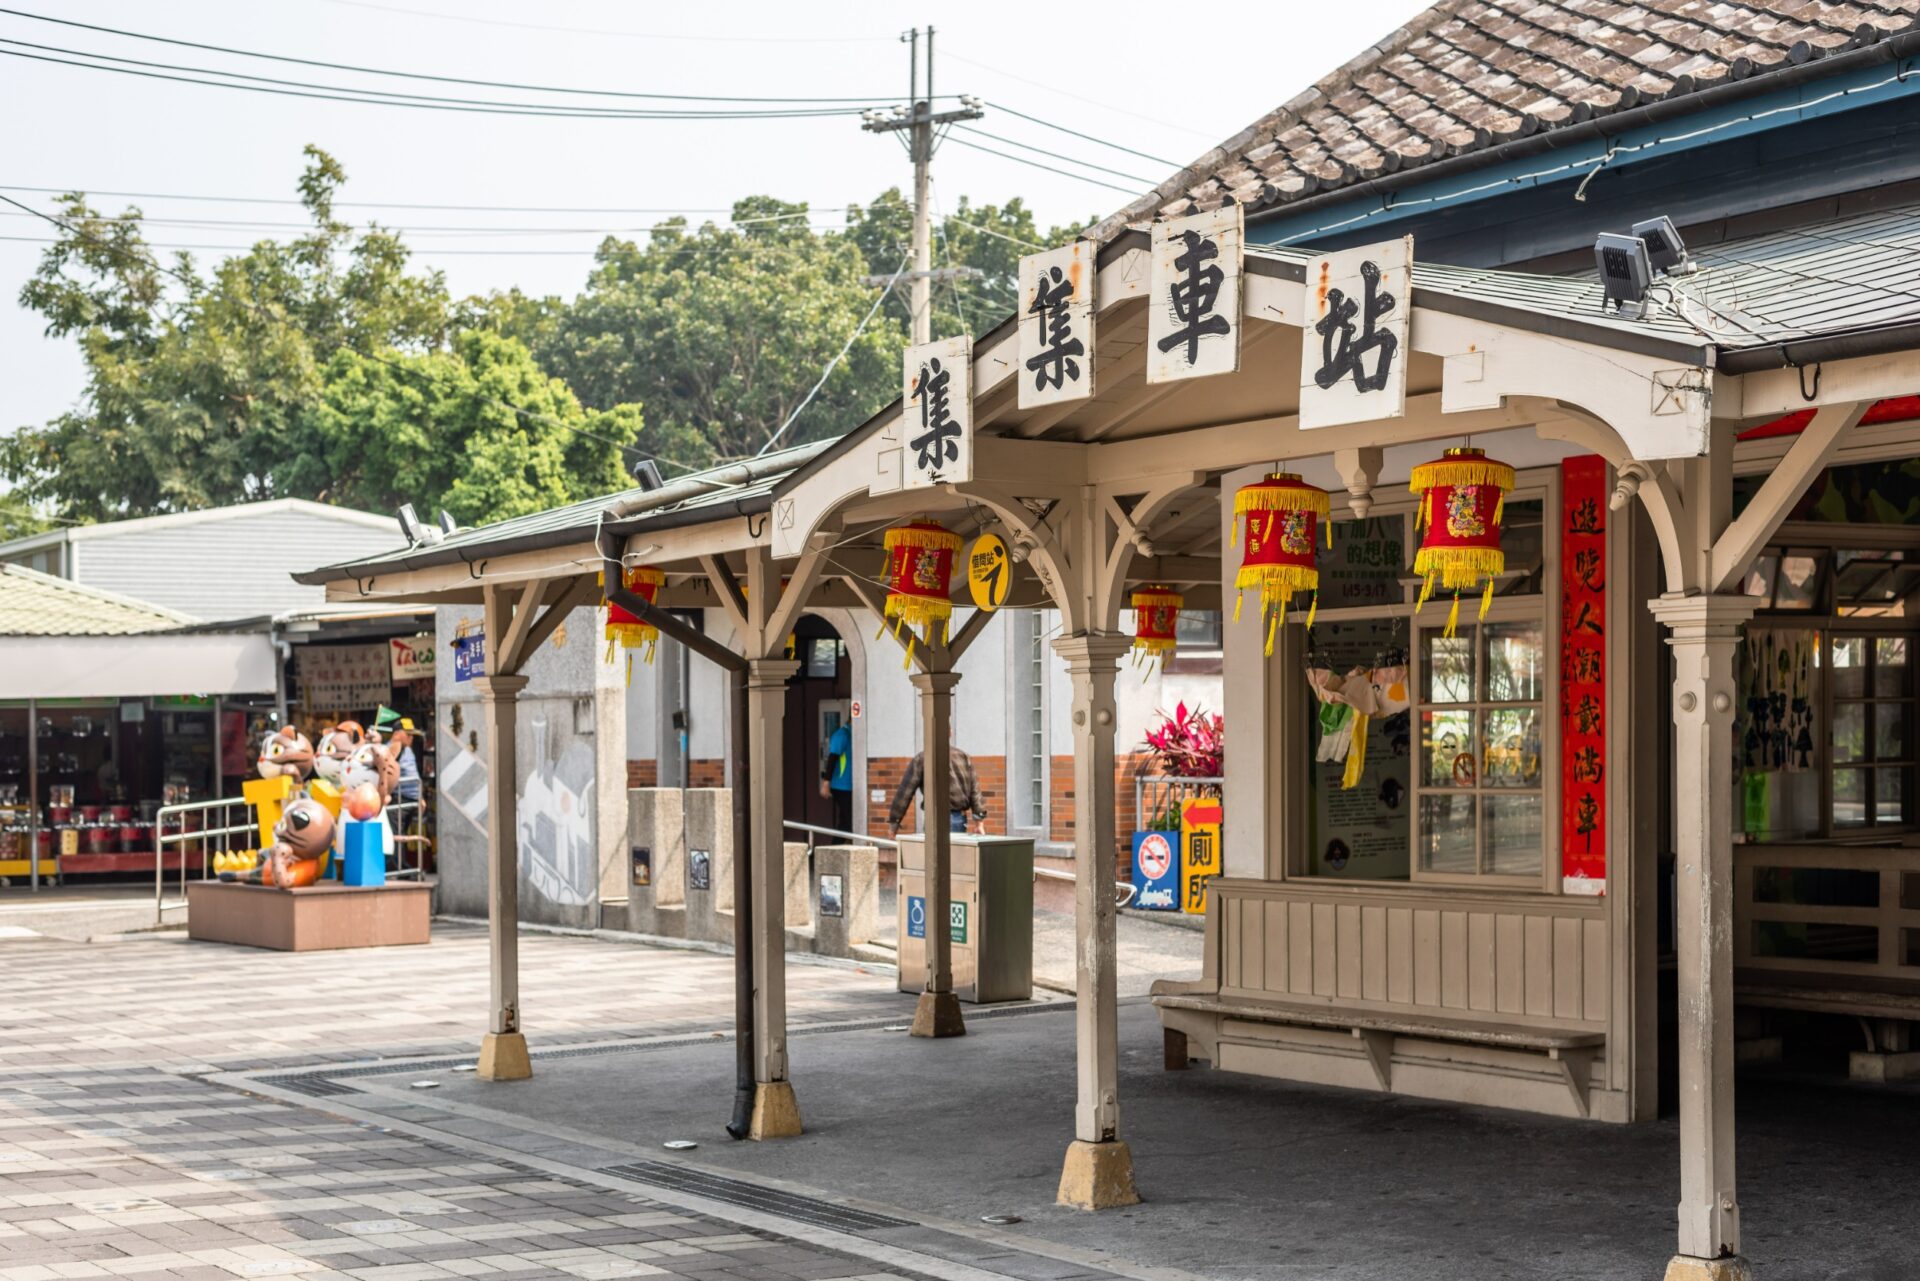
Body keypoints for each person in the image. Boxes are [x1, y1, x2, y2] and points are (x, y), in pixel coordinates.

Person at [888, 737, 987, 836]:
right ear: (950, 733)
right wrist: (979, 822)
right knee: (956, 851)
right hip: (958, 817)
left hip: (934, 817)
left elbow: (905, 792)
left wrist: (894, 822)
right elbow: (975, 790)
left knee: (932, 851)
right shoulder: (963, 756)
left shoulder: (922, 758)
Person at [818, 720, 854, 835]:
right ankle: (832, 850)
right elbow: (832, 758)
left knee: (846, 821)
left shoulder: (851, 734)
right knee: (847, 823)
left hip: (848, 786)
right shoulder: (842, 735)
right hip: (841, 786)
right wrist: (826, 782)